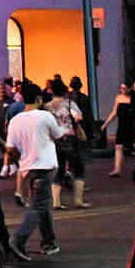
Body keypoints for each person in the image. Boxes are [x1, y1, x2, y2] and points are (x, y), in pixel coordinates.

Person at [7, 81, 63, 260]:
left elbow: (10, 148)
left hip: (27, 168)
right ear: (39, 98)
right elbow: (58, 135)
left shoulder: (16, 120)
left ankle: (49, 242)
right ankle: (18, 241)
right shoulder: (45, 116)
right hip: (45, 167)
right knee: (38, 206)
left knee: (42, 204)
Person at [45, 80, 86, 209]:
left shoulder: (47, 106)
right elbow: (79, 117)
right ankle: (78, 200)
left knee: (59, 170)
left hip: (55, 140)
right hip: (70, 138)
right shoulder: (69, 103)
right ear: (64, 91)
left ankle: (56, 202)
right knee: (78, 169)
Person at [102, 82, 135, 178]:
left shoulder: (133, 98)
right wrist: (105, 124)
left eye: (124, 88)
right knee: (118, 147)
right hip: (121, 126)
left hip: (131, 126)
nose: (122, 90)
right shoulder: (118, 98)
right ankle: (117, 169)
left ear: (129, 89)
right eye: (121, 88)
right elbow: (114, 112)